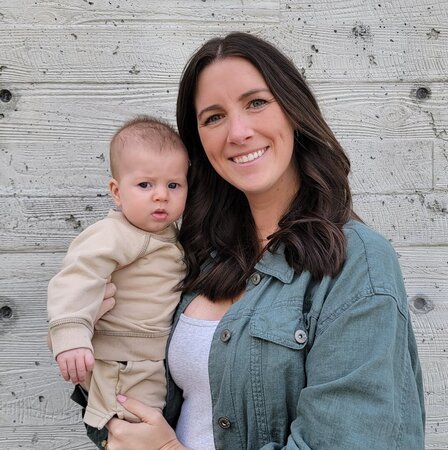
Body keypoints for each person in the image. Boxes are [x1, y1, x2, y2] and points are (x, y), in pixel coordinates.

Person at [87, 32, 425, 449]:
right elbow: (132, 412)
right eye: (213, 117)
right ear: (198, 145)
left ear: (293, 110)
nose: (238, 131)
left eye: (256, 103)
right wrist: (95, 338)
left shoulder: (357, 264)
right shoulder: (195, 256)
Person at [47, 116, 189, 431]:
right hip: (122, 363)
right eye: (145, 184)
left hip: (149, 360)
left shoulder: (171, 235)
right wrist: (71, 333)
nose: (161, 195)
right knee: (136, 429)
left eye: (173, 185)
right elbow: (77, 277)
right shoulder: (113, 234)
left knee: (155, 424)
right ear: (116, 191)